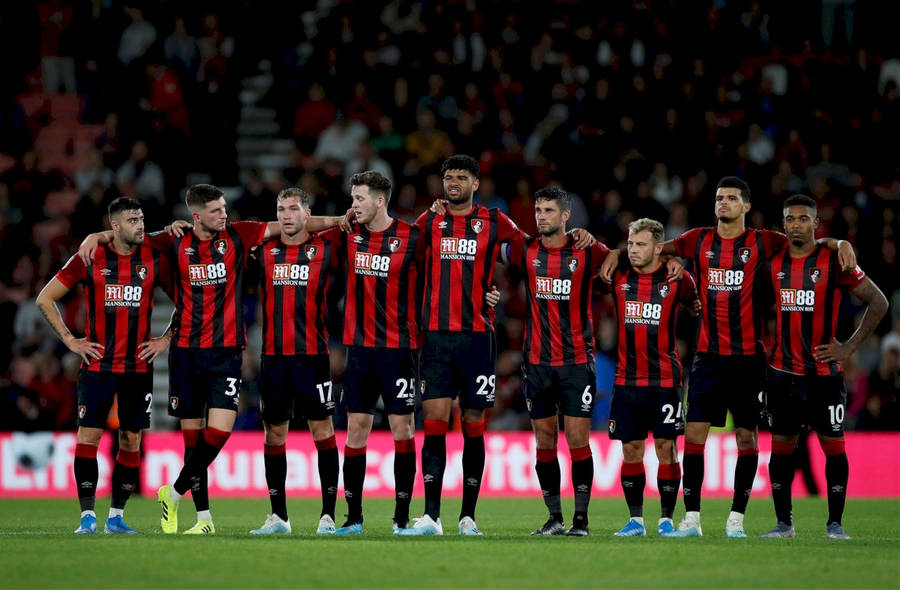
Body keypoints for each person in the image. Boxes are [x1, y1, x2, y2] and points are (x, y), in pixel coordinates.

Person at [78, 184, 349, 534]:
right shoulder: (174, 239)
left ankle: (173, 492)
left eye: (225, 208)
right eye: (218, 210)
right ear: (196, 216)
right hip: (187, 354)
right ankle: (204, 519)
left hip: (228, 353)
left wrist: (340, 219)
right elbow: (130, 235)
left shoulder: (240, 234)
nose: (225, 214)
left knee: (219, 432)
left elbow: (291, 225)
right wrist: (96, 235)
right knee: (195, 439)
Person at [600, 176, 856, 537]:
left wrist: (839, 241)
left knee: (748, 439)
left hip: (750, 359)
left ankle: (736, 520)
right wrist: (616, 252)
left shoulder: (764, 241)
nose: (723, 203)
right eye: (720, 198)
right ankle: (692, 519)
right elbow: (655, 248)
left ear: (746, 207)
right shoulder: (698, 239)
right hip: (708, 357)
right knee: (693, 437)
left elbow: (806, 242)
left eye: (732, 198)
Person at [401, 155, 593, 536]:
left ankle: (468, 517)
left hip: (477, 339)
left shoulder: (494, 221)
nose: (452, 183)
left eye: (461, 177)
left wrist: (577, 237)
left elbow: (534, 250)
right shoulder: (430, 221)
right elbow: (403, 254)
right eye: (447, 177)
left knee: (473, 425)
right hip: (436, 339)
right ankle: (431, 516)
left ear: (475, 183)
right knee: (435, 425)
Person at [36, 197, 172, 534]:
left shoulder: (153, 257)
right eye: (131, 220)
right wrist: (70, 340)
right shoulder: (90, 256)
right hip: (97, 365)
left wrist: (164, 340)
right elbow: (45, 298)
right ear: (114, 226)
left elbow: (189, 301)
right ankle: (86, 516)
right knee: (89, 437)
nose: (139, 225)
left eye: (141, 219)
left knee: (131, 440)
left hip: (138, 367)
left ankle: (116, 516)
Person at [761, 194, 887, 539]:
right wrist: (764, 348)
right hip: (783, 375)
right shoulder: (773, 261)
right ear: (783, 224)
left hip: (823, 377)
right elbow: (753, 305)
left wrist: (849, 347)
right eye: (790, 219)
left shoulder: (834, 261)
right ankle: (784, 524)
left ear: (816, 224)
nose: (796, 224)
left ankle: (835, 524)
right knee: (781, 448)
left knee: (834, 446)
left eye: (803, 219)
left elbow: (878, 301)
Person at [504, 187, 610, 536]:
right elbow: (487, 251)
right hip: (537, 364)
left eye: (549, 210)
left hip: (577, 362)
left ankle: (581, 519)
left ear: (566, 216)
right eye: (538, 209)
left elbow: (620, 260)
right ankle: (554, 517)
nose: (541, 216)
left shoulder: (587, 250)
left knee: (578, 439)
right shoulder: (526, 249)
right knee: (544, 439)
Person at [326, 171, 422, 535]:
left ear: (380, 200)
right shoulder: (350, 234)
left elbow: (446, 273)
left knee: (403, 429)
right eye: (352, 199)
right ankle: (353, 518)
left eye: (360, 199)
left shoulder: (412, 237)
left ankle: (400, 519)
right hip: (360, 350)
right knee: (355, 432)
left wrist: (488, 294)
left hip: (398, 349)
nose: (354, 206)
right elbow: (307, 226)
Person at [249, 188, 342, 536]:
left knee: (323, 432)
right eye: (281, 209)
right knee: (274, 434)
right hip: (273, 358)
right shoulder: (262, 252)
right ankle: (279, 517)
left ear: (307, 212)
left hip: (313, 357)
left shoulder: (327, 248)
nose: (286, 215)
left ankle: (328, 516)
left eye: (293, 209)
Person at [607, 218, 698, 537]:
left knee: (666, 448)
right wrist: (615, 252)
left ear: (659, 248)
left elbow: (695, 304)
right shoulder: (618, 273)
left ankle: (666, 519)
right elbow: (599, 257)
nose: (633, 250)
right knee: (630, 449)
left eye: (641, 244)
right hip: (626, 381)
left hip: (665, 381)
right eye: (630, 243)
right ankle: (635, 520)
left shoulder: (677, 278)